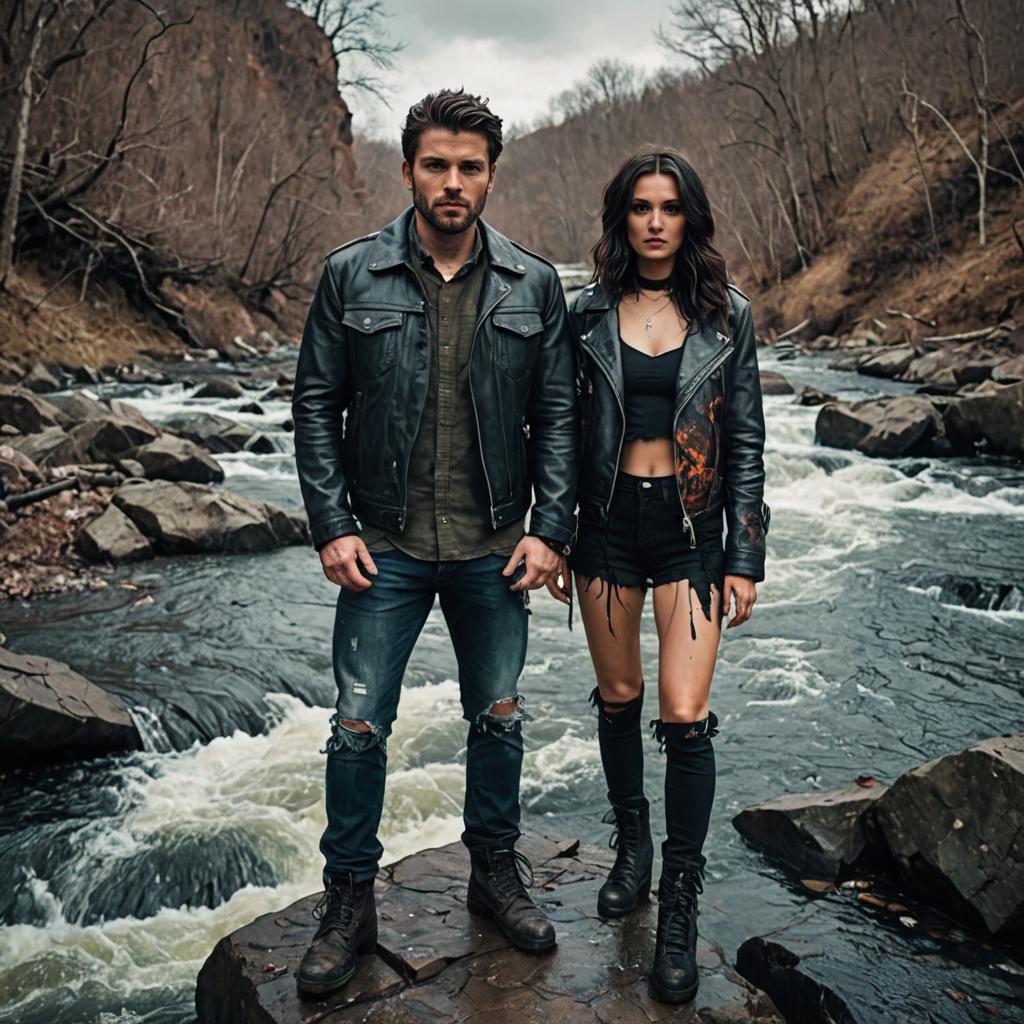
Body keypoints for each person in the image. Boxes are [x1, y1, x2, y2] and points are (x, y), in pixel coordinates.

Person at [290, 89, 577, 997]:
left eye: (470, 167)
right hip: (384, 542)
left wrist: (553, 531)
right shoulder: (351, 273)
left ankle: (494, 873)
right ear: (409, 167)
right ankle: (349, 900)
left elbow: (560, 416)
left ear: (491, 174)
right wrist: (331, 526)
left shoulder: (533, 284)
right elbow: (313, 407)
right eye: (436, 165)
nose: (453, 183)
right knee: (358, 726)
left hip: (497, 545)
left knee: (498, 714)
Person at [568, 150, 769, 1005]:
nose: (655, 221)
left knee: (685, 719)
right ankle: (632, 848)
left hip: (691, 536)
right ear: (621, 218)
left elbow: (750, 445)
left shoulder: (730, 318)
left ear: (691, 218)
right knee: (620, 698)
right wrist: (551, 531)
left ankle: (678, 902)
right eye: (641, 208)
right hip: (607, 532)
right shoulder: (583, 314)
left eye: (671, 208)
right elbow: (555, 428)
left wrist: (746, 556)